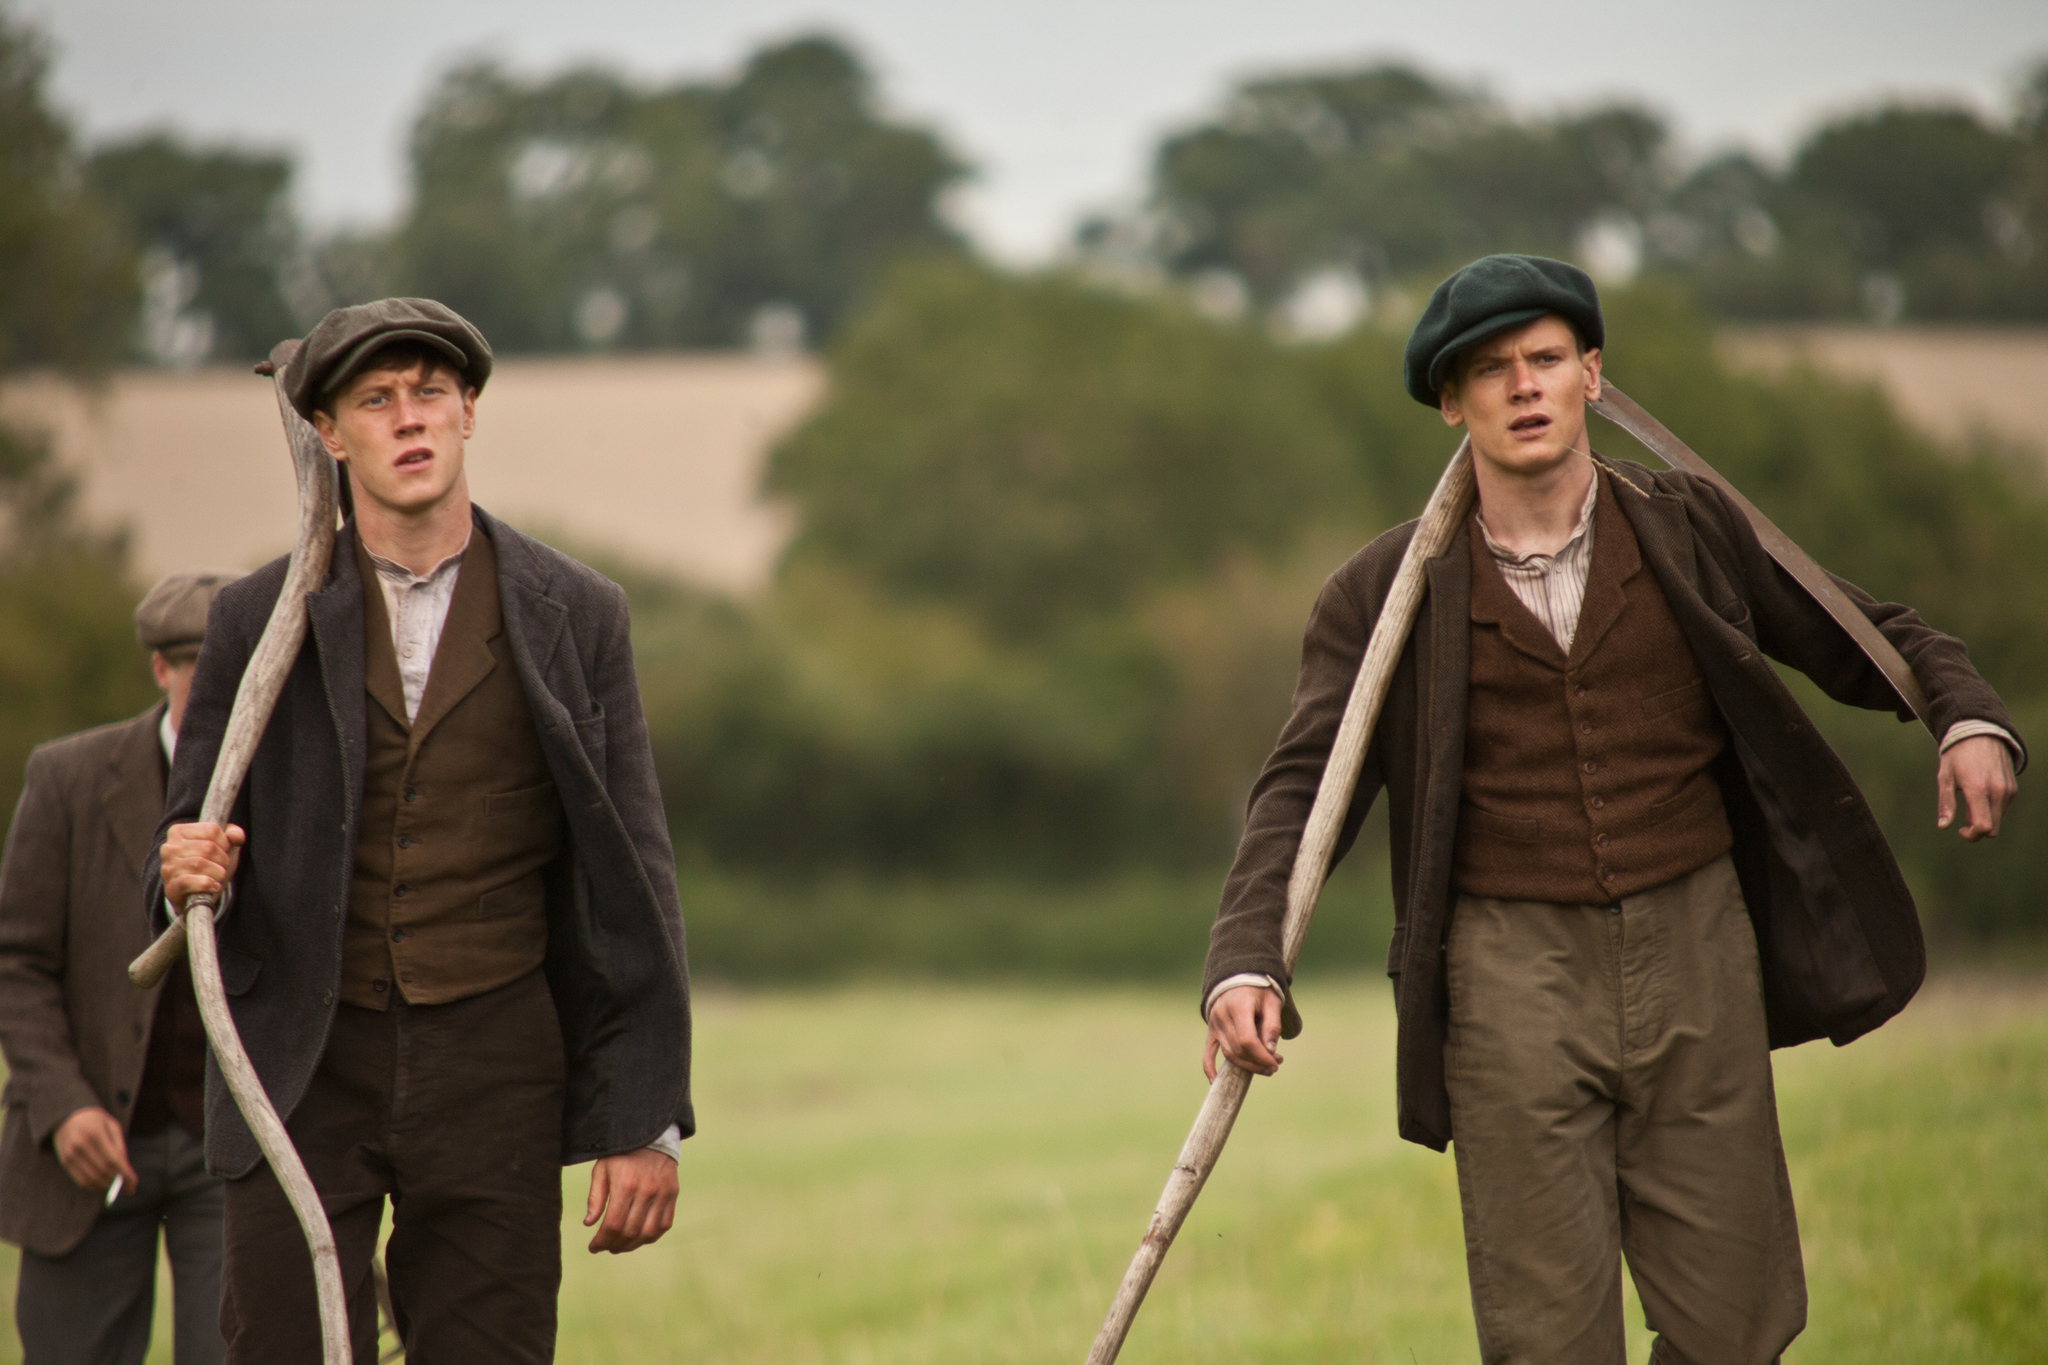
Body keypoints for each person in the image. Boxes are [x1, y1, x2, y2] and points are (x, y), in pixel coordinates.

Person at [1200, 254, 2023, 1365]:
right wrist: (1245, 959)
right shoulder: (1384, 593)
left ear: (1591, 374)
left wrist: (1963, 718)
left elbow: (1861, 630)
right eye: (1489, 370)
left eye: (1544, 358)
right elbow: (1302, 785)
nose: (1522, 385)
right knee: (1546, 1340)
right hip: (1504, 975)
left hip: (1697, 948)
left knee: (1736, 1324)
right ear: (1452, 403)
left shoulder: (1690, 528)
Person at [149, 298, 693, 1363]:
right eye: (376, 399)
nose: (409, 420)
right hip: (297, 1067)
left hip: (495, 1063)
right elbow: (184, 840)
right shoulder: (256, 617)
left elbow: (633, 879)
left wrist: (646, 1117)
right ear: (328, 432)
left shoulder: (577, 611)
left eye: (430, 393)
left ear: (469, 412)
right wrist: (178, 871)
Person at [0, 569, 242, 1365]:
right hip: (85, 1150)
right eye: (196, 669)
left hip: (234, 1150)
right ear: (159, 669)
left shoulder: (292, 788)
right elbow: (18, 962)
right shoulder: (66, 777)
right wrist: (63, 1107)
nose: (216, 694)